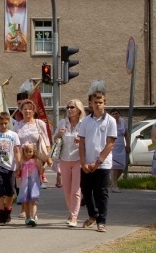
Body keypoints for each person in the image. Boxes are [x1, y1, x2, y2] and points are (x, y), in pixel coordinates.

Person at [77, 91, 117, 233]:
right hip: (87, 162)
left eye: (100, 102)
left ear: (104, 103)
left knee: (101, 193)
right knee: (86, 191)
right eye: (95, 102)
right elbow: (81, 142)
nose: (98, 105)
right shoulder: (86, 121)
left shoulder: (110, 121)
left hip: (103, 164)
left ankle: (102, 221)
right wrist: (83, 162)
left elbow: (110, 144)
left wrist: (98, 162)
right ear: (91, 104)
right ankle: (93, 215)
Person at [13, 98, 51, 212]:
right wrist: (17, 161)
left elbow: (46, 141)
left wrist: (46, 158)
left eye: (30, 109)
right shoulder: (18, 125)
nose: (27, 111)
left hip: (36, 158)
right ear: (21, 111)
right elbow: (14, 143)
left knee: (34, 184)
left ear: (33, 111)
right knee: (23, 184)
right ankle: (24, 210)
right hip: (22, 158)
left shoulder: (39, 124)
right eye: (25, 109)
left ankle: (33, 211)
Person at [53, 99, 86, 227]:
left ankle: (74, 216)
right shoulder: (62, 123)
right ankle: (71, 212)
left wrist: (81, 141)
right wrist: (58, 134)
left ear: (79, 110)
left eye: (72, 107)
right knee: (66, 190)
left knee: (76, 190)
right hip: (64, 159)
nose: (69, 110)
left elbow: (88, 141)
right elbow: (54, 139)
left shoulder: (84, 124)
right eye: (67, 107)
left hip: (78, 159)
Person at [0, 112, 21, 225]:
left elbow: (16, 151)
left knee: (10, 191)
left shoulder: (13, 135)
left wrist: (19, 164)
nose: (3, 125)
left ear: (9, 123)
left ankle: (8, 208)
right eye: (1, 123)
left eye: (5, 123)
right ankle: (1, 213)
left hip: (10, 165)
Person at [17, 143, 45, 226]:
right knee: (26, 201)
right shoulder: (22, 162)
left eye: (30, 151)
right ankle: (27, 218)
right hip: (25, 184)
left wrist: (42, 170)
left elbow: (40, 171)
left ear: (33, 152)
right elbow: (18, 172)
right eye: (27, 152)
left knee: (33, 201)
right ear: (24, 152)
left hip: (34, 184)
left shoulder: (36, 161)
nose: (29, 153)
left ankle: (33, 217)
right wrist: (18, 171)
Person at [109, 109, 131, 193]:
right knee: (114, 167)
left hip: (121, 146)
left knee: (121, 167)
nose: (115, 115)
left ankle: (113, 183)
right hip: (113, 146)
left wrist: (128, 145)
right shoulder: (109, 123)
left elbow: (126, 134)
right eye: (113, 114)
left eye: (116, 113)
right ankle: (114, 185)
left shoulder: (123, 122)